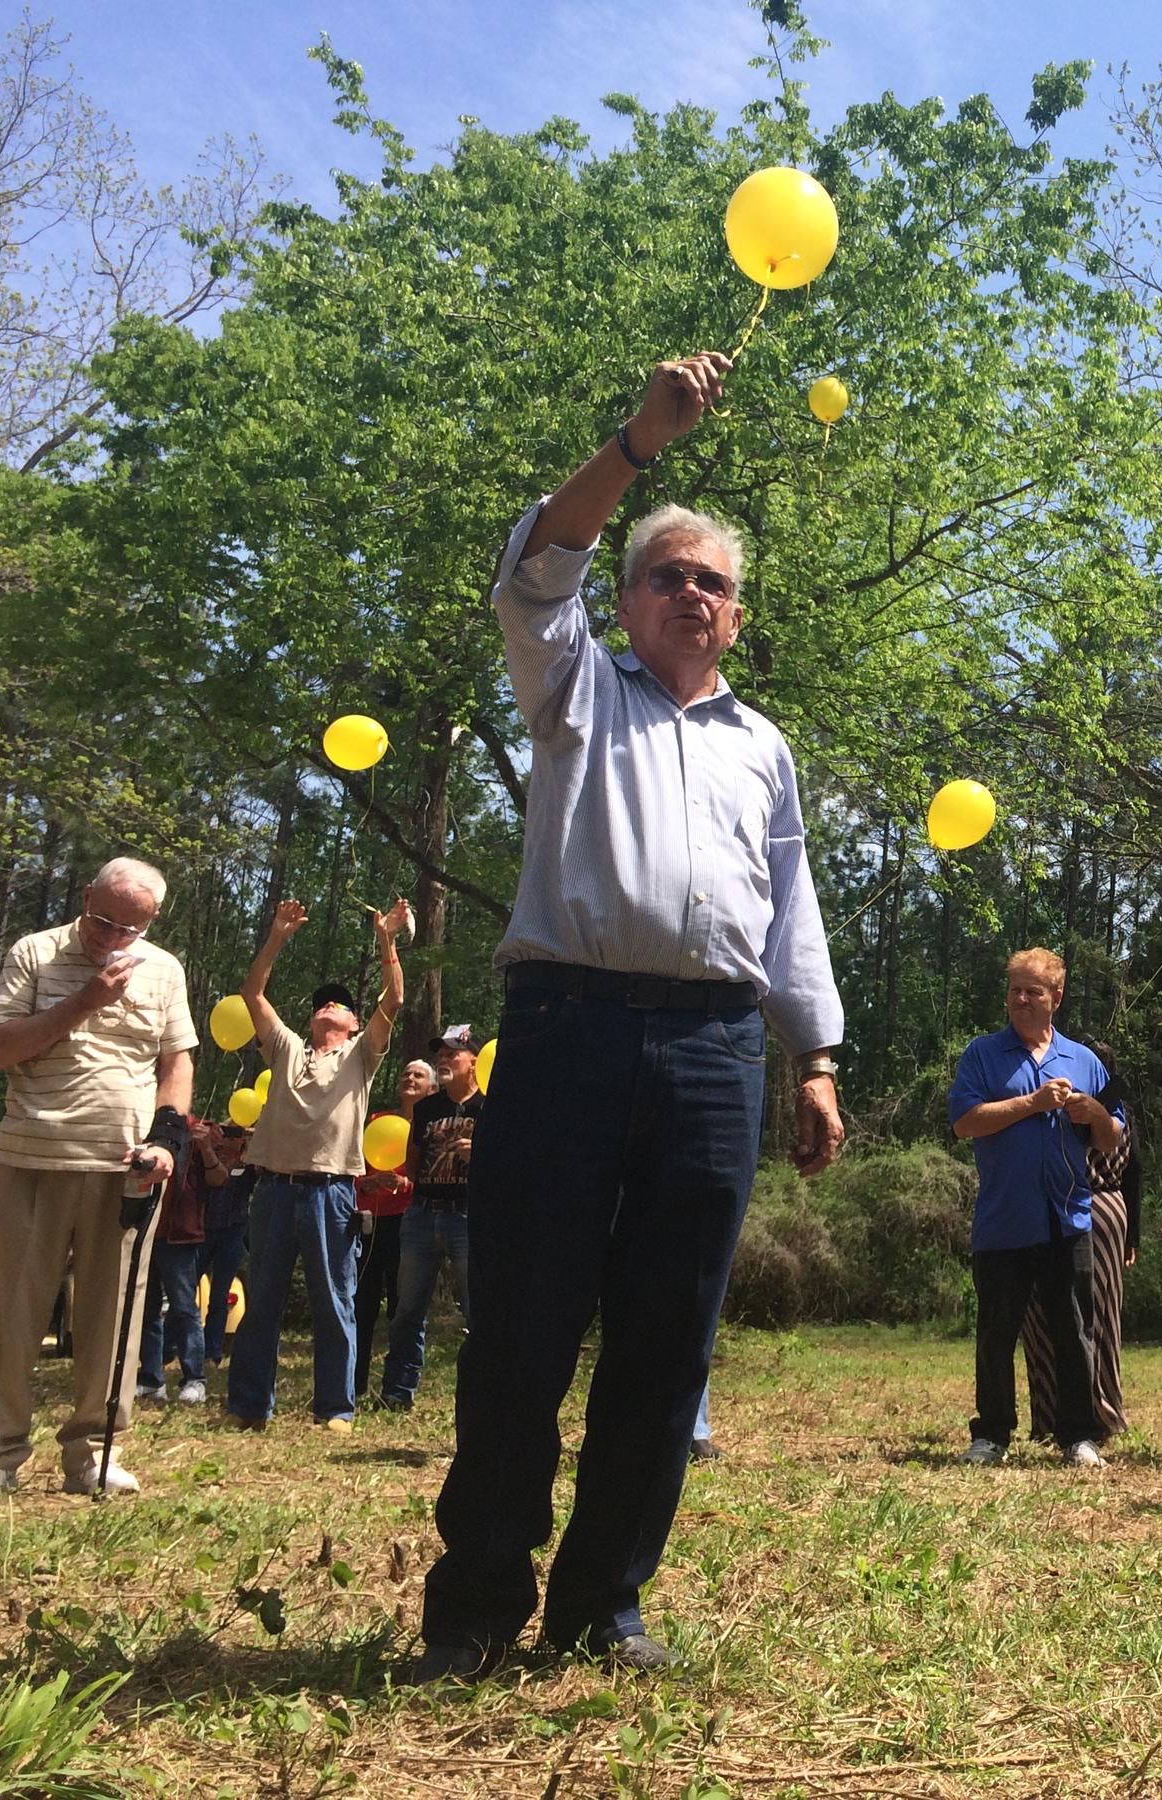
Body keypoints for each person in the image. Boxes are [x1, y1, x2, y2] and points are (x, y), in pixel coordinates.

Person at [418, 351, 845, 1681]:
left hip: (714, 1056)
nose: (693, 596)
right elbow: (535, 566)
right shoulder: (574, 691)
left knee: (667, 1340)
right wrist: (636, 448)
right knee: (527, 1328)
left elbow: (790, 905)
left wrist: (812, 1057)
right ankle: (480, 1606)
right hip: (567, 1034)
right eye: (669, 575)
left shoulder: (760, 747)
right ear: (632, 595)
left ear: (734, 616)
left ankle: (604, 1603)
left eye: (713, 584)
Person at [0, 857, 196, 1499]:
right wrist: (85, 1000)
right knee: (14, 1311)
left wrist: (168, 1137)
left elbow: (175, 1062)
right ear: (85, 896)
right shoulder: (34, 953)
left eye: (129, 928)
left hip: (124, 1170)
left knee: (113, 1316)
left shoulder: (166, 970)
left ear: (150, 923)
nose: (112, 935)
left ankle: (93, 1451)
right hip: (32, 1158)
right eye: (102, 918)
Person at [224, 897, 407, 1432]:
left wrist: (387, 939)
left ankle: (334, 1409)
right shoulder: (284, 1048)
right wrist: (277, 936)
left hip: (332, 1193)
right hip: (274, 1190)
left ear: (354, 1025)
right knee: (262, 1304)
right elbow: (251, 993)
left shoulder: (360, 1055)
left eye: (342, 1006)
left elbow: (393, 998)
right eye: (322, 1003)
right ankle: (248, 1407)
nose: (331, 1005)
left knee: (335, 1301)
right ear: (310, 1018)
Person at [950, 948, 1123, 1469]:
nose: (1021, 999)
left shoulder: (1084, 1060)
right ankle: (992, 1436)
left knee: (1074, 1331)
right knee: (996, 1333)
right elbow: (964, 1122)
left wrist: (1094, 1112)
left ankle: (1079, 1436)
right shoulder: (982, 1054)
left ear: (1056, 998)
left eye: (1033, 991)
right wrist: (1033, 1103)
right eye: (1014, 990)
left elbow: (1112, 1135)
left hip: (1068, 1219)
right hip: (1004, 1221)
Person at [1021, 1035, 1137, 1450]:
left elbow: (1131, 1172)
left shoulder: (1101, 1115)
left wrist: (1130, 1237)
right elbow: (1136, 1176)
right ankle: (1063, 1414)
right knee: (1067, 1317)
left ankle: (1089, 1414)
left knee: (1088, 1320)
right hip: (1061, 1211)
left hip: (1096, 1209)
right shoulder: (1070, 1108)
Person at [380, 1029, 482, 1409]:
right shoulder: (426, 1109)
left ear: (473, 1060)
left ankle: (478, 1393)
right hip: (422, 1214)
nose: (444, 1059)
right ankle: (397, 1392)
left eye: (453, 1053)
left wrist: (480, 1155)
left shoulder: (491, 1106)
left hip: (469, 1217)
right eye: (440, 1053)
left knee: (477, 1308)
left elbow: (512, 1167)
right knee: (407, 1308)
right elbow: (412, 1161)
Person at [134, 1114, 229, 1404]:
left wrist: (206, 1149)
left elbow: (219, 1179)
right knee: (146, 1310)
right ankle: (151, 1379)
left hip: (180, 1233)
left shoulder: (200, 1131)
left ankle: (194, 1379)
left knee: (184, 1307)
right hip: (143, 1229)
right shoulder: (140, 1124)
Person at [351, 1060, 432, 1401]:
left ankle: (397, 1391)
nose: (409, 1079)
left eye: (418, 1075)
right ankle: (351, 1387)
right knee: (361, 1305)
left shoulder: (433, 1126)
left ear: (432, 1089)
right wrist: (366, 1183)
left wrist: (406, 1184)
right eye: (406, 1074)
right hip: (371, 1223)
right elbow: (353, 1166)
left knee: (404, 1308)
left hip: (410, 1224)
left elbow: (434, 1180)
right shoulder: (376, 1121)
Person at [202, 1124, 252, 1367]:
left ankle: (212, 1352)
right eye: (227, 1132)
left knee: (220, 1294)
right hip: (203, 1229)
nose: (230, 1139)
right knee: (186, 1288)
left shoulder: (248, 1165)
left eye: (236, 1135)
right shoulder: (208, 1160)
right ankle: (172, 1347)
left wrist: (250, 1145)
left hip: (233, 1231)